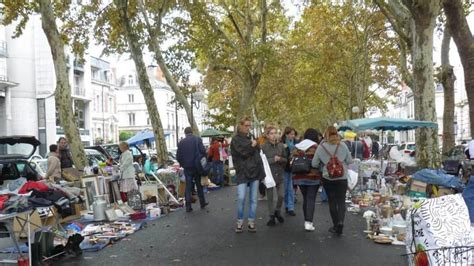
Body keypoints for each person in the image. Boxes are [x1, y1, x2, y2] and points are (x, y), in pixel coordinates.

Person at [312, 126, 353, 235]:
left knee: (332, 201)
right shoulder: (343, 145)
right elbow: (350, 160)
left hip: (328, 177)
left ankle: (335, 225)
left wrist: (324, 162)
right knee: (341, 201)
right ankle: (340, 221)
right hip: (342, 177)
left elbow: (314, 164)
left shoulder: (321, 147)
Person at [231, 117, 265, 233]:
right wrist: (253, 145)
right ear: (240, 126)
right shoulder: (235, 140)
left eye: (249, 125)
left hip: (254, 171)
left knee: (253, 199)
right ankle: (239, 222)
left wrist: (256, 145)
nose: (248, 128)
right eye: (246, 125)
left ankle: (251, 222)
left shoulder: (252, 137)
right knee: (241, 198)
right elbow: (243, 153)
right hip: (242, 172)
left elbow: (258, 151)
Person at [292, 128, 323, 232]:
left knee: (306, 198)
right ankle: (308, 222)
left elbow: (290, 161)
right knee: (311, 199)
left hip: (299, 177)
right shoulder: (316, 147)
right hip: (313, 176)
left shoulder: (297, 147)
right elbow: (319, 162)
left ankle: (307, 220)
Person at [177, 127, 208, 212]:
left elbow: (178, 157)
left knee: (188, 186)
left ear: (185, 133)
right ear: (192, 131)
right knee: (199, 185)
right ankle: (202, 202)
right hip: (197, 166)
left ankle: (188, 206)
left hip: (187, 167)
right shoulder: (197, 139)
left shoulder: (181, 142)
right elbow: (203, 151)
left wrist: (183, 164)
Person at [262, 126, 287, 226]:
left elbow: (286, 159)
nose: (274, 135)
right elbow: (261, 162)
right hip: (269, 175)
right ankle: (271, 216)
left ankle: (277, 210)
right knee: (270, 197)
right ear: (267, 135)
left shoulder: (281, 146)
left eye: (275, 133)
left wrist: (280, 159)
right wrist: (273, 159)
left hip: (280, 174)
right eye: (271, 133)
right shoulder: (264, 147)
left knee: (281, 195)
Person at [281, 126, 297, 216]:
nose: (293, 136)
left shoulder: (295, 143)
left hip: (292, 167)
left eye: (293, 134)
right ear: (286, 134)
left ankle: (290, 207)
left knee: (290, 188)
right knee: (285, 188)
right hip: (284, 167)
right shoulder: (281, 143)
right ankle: (287, 205)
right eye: (291, 134)